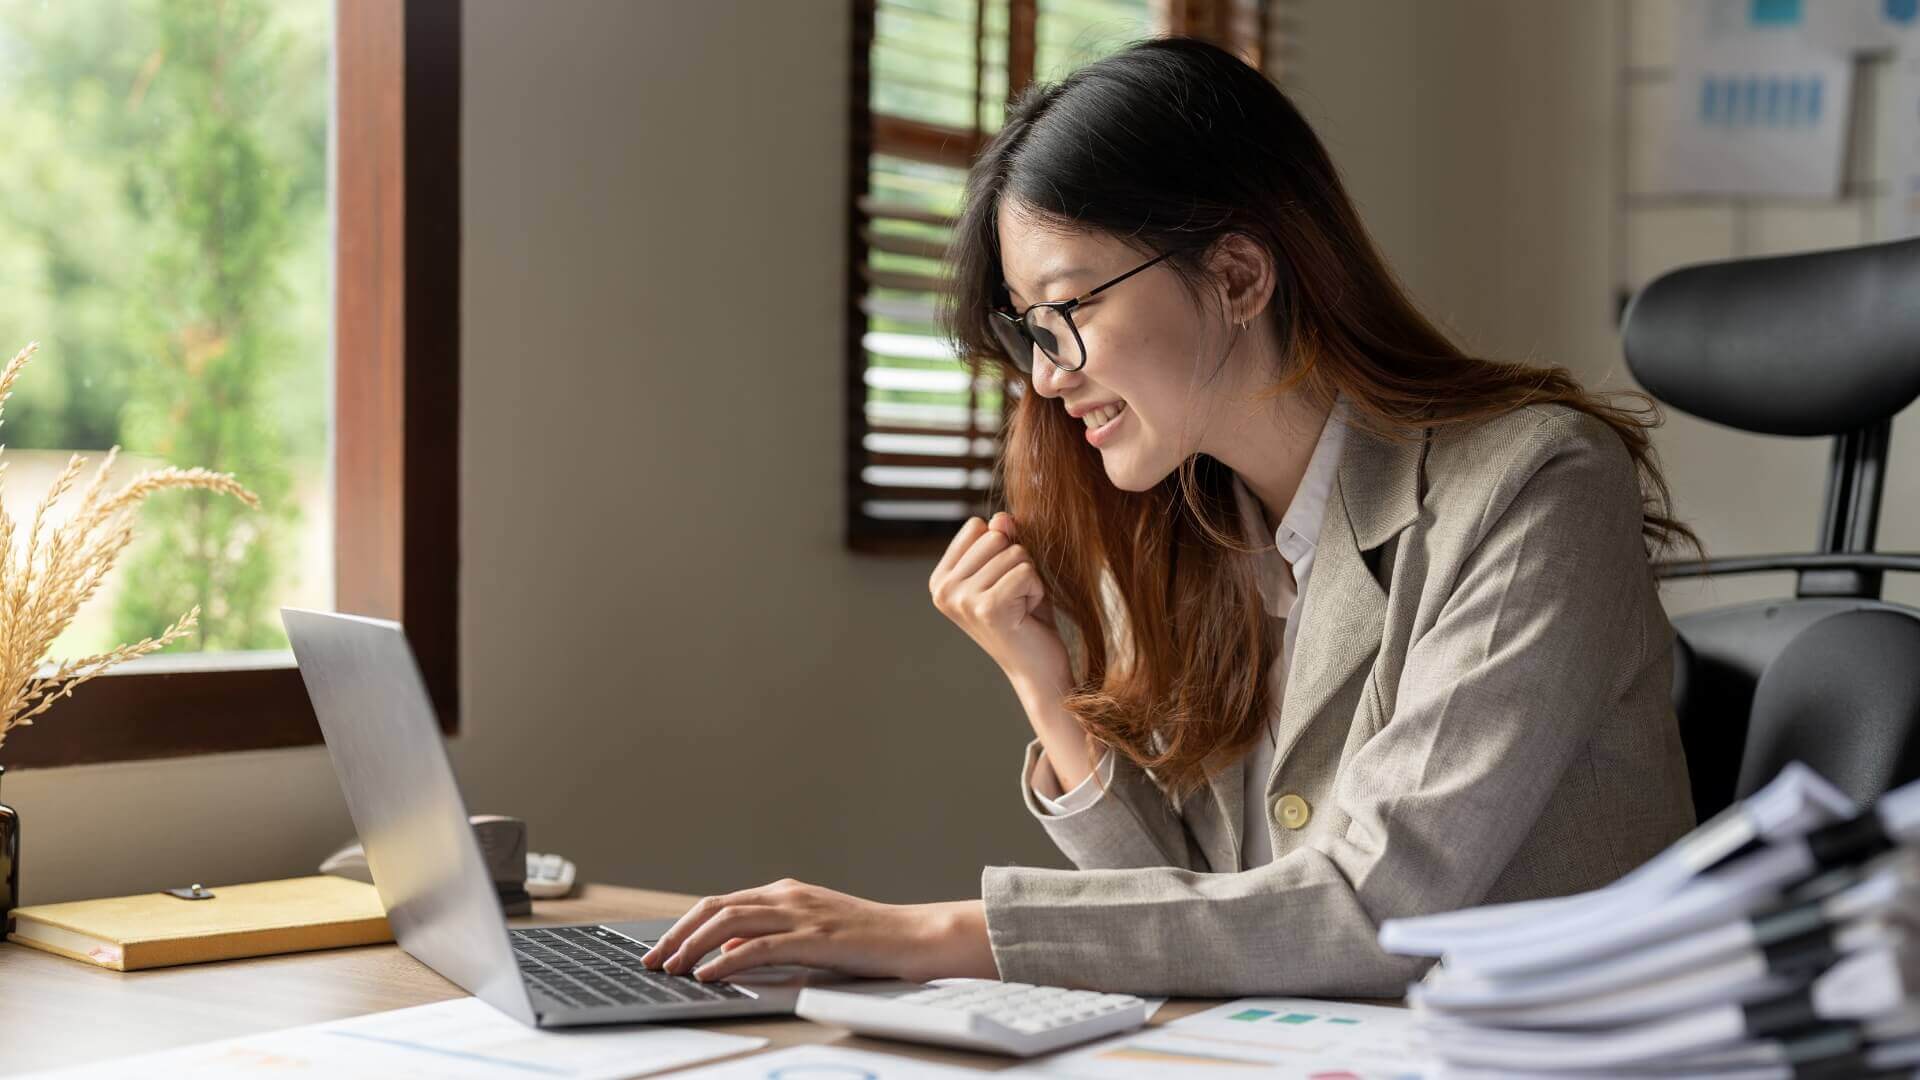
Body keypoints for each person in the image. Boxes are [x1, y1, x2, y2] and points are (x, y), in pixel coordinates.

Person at [640, 36, 1700, 998]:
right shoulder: (1197, 527)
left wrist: (929, 934)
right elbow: (1200, 922)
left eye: (1070, 312)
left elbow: (1379, 908)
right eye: (1030, 334)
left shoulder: (1536, 484)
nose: (1049, 380)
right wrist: (1044, 687)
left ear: (1238, 273)